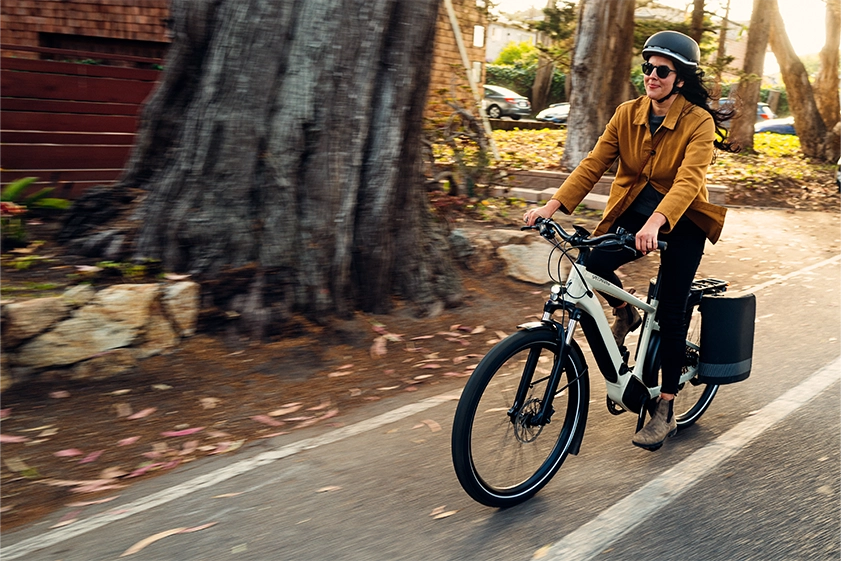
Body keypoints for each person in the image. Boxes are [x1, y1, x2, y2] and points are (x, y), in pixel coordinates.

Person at [523, 30, 738, 451]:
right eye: (647, 68)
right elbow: (592, 164)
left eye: (662, 70)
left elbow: (689, 180)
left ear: (680, 79)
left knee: (673, 310)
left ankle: (667, 407)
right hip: (635, 214)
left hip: (684, 220)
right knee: (590, 265)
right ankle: (627, 312)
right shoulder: (627, 113)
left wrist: (657, 223)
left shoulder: (698, 121)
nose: (651, 76)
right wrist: (551, 207)